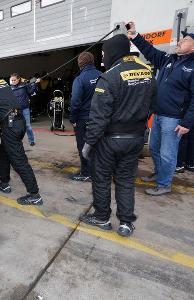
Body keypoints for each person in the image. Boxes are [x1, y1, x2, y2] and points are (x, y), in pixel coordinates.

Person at [79, 34, 156, 237]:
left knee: (102, 178)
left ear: (113, 51)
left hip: (110, 140)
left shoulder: (110, 76)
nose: (103, 58)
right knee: (125, 180)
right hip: (136, 139)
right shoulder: (148, 73)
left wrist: (88, 143)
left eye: (104, 53)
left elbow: (99, 116)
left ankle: (102, 218)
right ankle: (126, 222)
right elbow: (153, 105)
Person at [128, 22, 194, 196]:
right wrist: (135, 36)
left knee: (167, 154)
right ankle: (159, 174)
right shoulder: (169, 60)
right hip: (158, 114)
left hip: (173, 118)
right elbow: (149, 51)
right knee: (154, 149)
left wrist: (187, 122)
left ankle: (165, 184)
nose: (180, 42)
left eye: (185, 40)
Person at [0, 67, 42, 205]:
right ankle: (4, 183)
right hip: (18, 120)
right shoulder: (0, 81)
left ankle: (34, 194)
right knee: (3, 153)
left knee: (19, 160)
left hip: (10, 124)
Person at [69, 52, 102, 181]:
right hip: (100, 118)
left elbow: (75, 101)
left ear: (80, 63)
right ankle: (99, 171)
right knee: (98, 145)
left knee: (83, 145)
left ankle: (86, 172)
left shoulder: (80, 79)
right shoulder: (102, 75)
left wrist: (73, 119)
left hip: (84, 119)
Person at [9, 73, 40, 146]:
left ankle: (31, 140)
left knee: (28, 126)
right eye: (11, 80)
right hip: (14, 110)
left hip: (25, 109)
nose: (13, 81)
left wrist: (35, 84)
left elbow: (31, 91)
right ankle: (12, 141)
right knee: (10, 125)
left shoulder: (24, 85)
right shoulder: (9, 88)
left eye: (14, 80)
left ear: (18, 79)